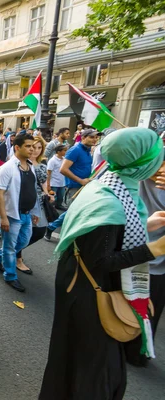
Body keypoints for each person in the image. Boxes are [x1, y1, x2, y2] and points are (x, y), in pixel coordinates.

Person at [39, 127, 165, 400]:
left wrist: (147, 224)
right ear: (141, 164)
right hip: (89, 293)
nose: (160, 163)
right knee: (92, 366)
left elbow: (110, 235)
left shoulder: (108, 181)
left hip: (82, 285)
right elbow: (102, 259)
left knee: (73, 355)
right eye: (158, 157)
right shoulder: (108, 202)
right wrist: (154, 248)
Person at [123, 160, 165, 367]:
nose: (162, 169)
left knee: (149, 311)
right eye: (159, 162)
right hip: (126, 256)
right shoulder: (128, 179)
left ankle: (139, 350)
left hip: (157, 264)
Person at [0, 134, 40, 293]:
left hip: (26, 214)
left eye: (33, 146)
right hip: (12, 215)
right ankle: (10, 275)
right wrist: (3, 218)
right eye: (28, 146)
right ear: (17, 147)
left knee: (24, 241)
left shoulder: (30, 166)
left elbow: (33, 189)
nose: (32, 149)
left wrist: (35, 210)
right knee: (10, 248)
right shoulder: (7, 168)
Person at [45, 129, 100, 240]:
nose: (95, 139)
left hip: (85, 186)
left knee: (78, 211)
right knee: (73, 212)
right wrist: (80, 180)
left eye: (96, 137)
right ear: (83, 137)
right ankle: (54, 228)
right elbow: (63, 169)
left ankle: (56, 229)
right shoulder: (75, 150)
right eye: (92, 137)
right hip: (75, 187)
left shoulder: (88, 150)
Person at [16, 137, 54, 274]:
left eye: (39, 148)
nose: (35, 150)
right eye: (33, 147)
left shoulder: (42, 164)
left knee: (39, 231)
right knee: (22, 231)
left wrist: (48, 193)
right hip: (26, 202)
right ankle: (17, 258)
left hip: (40, 202)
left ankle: (10, 252)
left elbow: (44, 185)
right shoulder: (21, 163)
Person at [47, 144, 68, 210]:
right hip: (54, 183)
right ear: (59, 152)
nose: (66, 152)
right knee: (53, 197)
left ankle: (58, 206)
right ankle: (51, 209)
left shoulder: (64, 159)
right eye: (64, 150)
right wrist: (48, 184)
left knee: (60, 196)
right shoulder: (52, 160)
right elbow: (48, 173)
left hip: (61, 182)